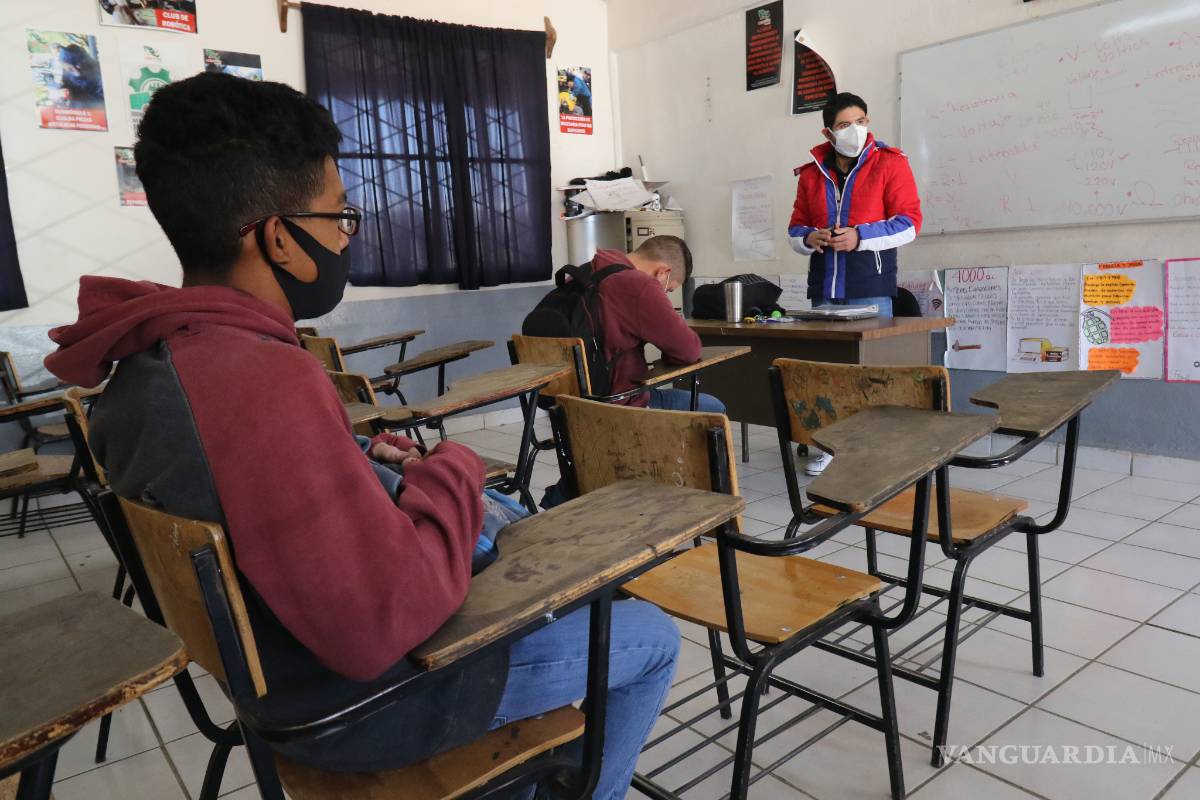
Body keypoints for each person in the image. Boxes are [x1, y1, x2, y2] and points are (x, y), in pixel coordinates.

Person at [44, 73, 678, 800]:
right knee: (650, 638)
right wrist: (454, 469)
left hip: (269, 689)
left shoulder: (142, 370)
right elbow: (383, 625)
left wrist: (360, 462)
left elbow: (260, 497)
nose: (349, 235)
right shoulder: (260, 379)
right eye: (339, 216)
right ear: (279, 238)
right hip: (362, 707)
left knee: (529, 564)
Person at [786, 91, 922, 475]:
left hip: (870, 285)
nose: (856, 130)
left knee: (868, 374)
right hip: (824, 289)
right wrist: (810, 238)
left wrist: (859, 237)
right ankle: (832, 444)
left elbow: (909, 223)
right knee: (827, 372)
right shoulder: (811, 174)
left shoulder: (890, 163)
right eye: (846, 125)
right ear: (828, 133)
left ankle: (870, 448)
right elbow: (794, 229)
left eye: (861, 121)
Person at [593, 236, 724, 414]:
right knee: (713, 407)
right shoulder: (640, 285)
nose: (665, 295)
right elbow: (688, 350)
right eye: (668, 290)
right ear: (663, 272)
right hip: (621, 407)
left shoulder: (585, 272)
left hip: (571, 406)